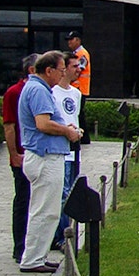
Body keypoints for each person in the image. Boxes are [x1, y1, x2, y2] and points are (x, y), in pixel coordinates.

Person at [17, 51, 82, 273]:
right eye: (61, 70)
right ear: (49, 70)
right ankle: (32, 259)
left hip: (46, 155)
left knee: (48, 210)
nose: (63, 74)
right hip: (45, 156)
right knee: (45, 211)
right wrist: (67, 132)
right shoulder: (38, 90)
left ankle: (38, 256)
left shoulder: (38, 88)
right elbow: (43, 124)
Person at [2, 53, 38, 263]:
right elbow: (9, 125)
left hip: (37, 154)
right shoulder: (14, 93)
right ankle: (20, 247)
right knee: (23, 200)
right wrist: (14, 153)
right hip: (22, 155)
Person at [51, 52, 81, 249]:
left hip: (74, 149)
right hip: (59, 150)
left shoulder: (76, 93)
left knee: (72, 192)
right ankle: (61, 237)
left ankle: (67, 233)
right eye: (74, 66)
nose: (78, 70)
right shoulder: (52, 93)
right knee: (62, 194)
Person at [66, 31, 91, 144]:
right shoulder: (76, 53)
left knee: (79, 113)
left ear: (78, 40)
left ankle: (84, 138)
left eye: (72, 39)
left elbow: (79, 70)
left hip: (80, 88)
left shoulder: (82, 53)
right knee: (78, 113)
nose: (69, 42)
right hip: (77, 88)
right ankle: (83, 138)